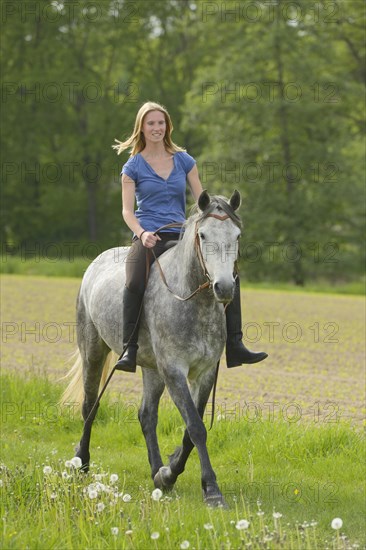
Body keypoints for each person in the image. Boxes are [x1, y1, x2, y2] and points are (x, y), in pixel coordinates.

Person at [112, 101, 267, 372]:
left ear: (167, 126)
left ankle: (235, 344)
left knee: (229, 275)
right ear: (142, 128)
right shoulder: (132, 166)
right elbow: (127, 211)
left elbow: (202, 202)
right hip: (149, 236)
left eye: (161, 123)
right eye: (151, 123)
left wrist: (221, 216)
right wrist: (142, 233)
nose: (156, 128)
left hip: (182, 235)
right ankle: (129, 348)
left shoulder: (184, 160)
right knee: (134, 280)